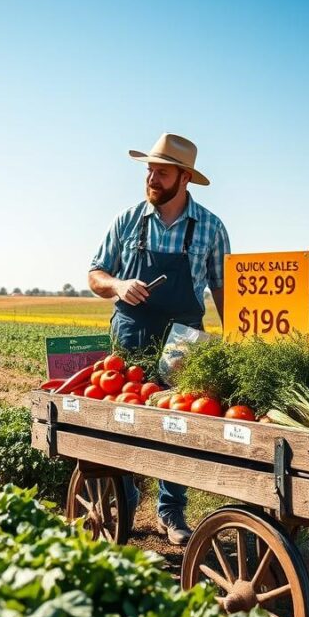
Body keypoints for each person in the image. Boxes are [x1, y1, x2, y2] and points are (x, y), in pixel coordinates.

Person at [87, 133, 230, 545]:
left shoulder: (210, 228)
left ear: (184, 178)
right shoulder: (128, 219)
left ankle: (171, 510)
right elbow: (95, 273)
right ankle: (126, 497)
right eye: (149, 169)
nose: (151, 177)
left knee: (178, 421)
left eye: (161, 172)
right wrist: (117, 284)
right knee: (125, 415)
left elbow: (224, 291)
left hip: (186, 336)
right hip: (131, 328)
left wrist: (241, 334)